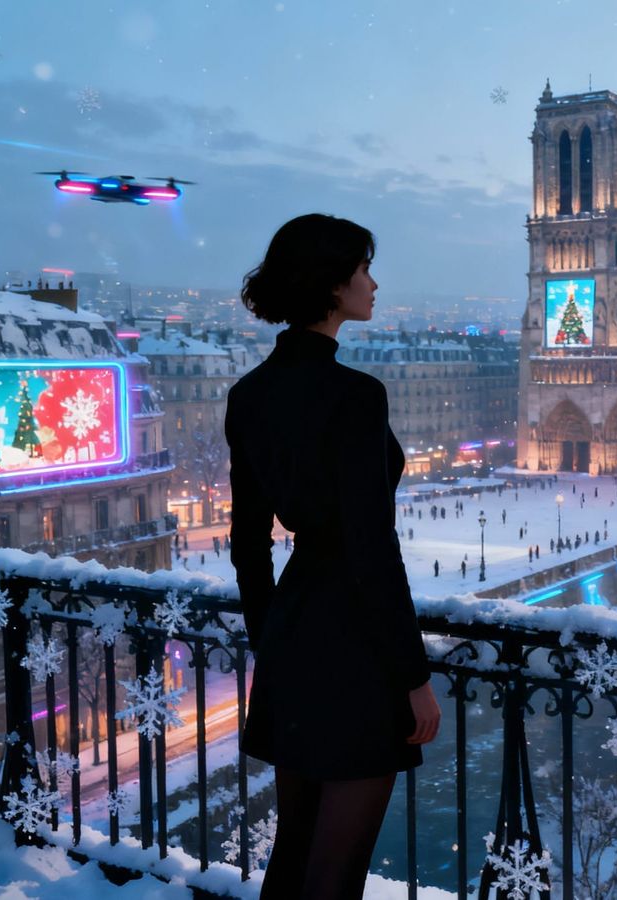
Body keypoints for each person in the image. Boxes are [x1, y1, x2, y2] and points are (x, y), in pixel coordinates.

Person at [228, 214, 441, 899]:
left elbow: (247, 543)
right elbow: (372, 548)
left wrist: (272, 640)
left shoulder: (249, 396)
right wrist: (413, 675)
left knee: (293, 858)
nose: (374, 284)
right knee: (334, 876)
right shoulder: (355, 395)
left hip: (294, 634)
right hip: (354, 646)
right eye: (363, 270)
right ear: (331, 283)